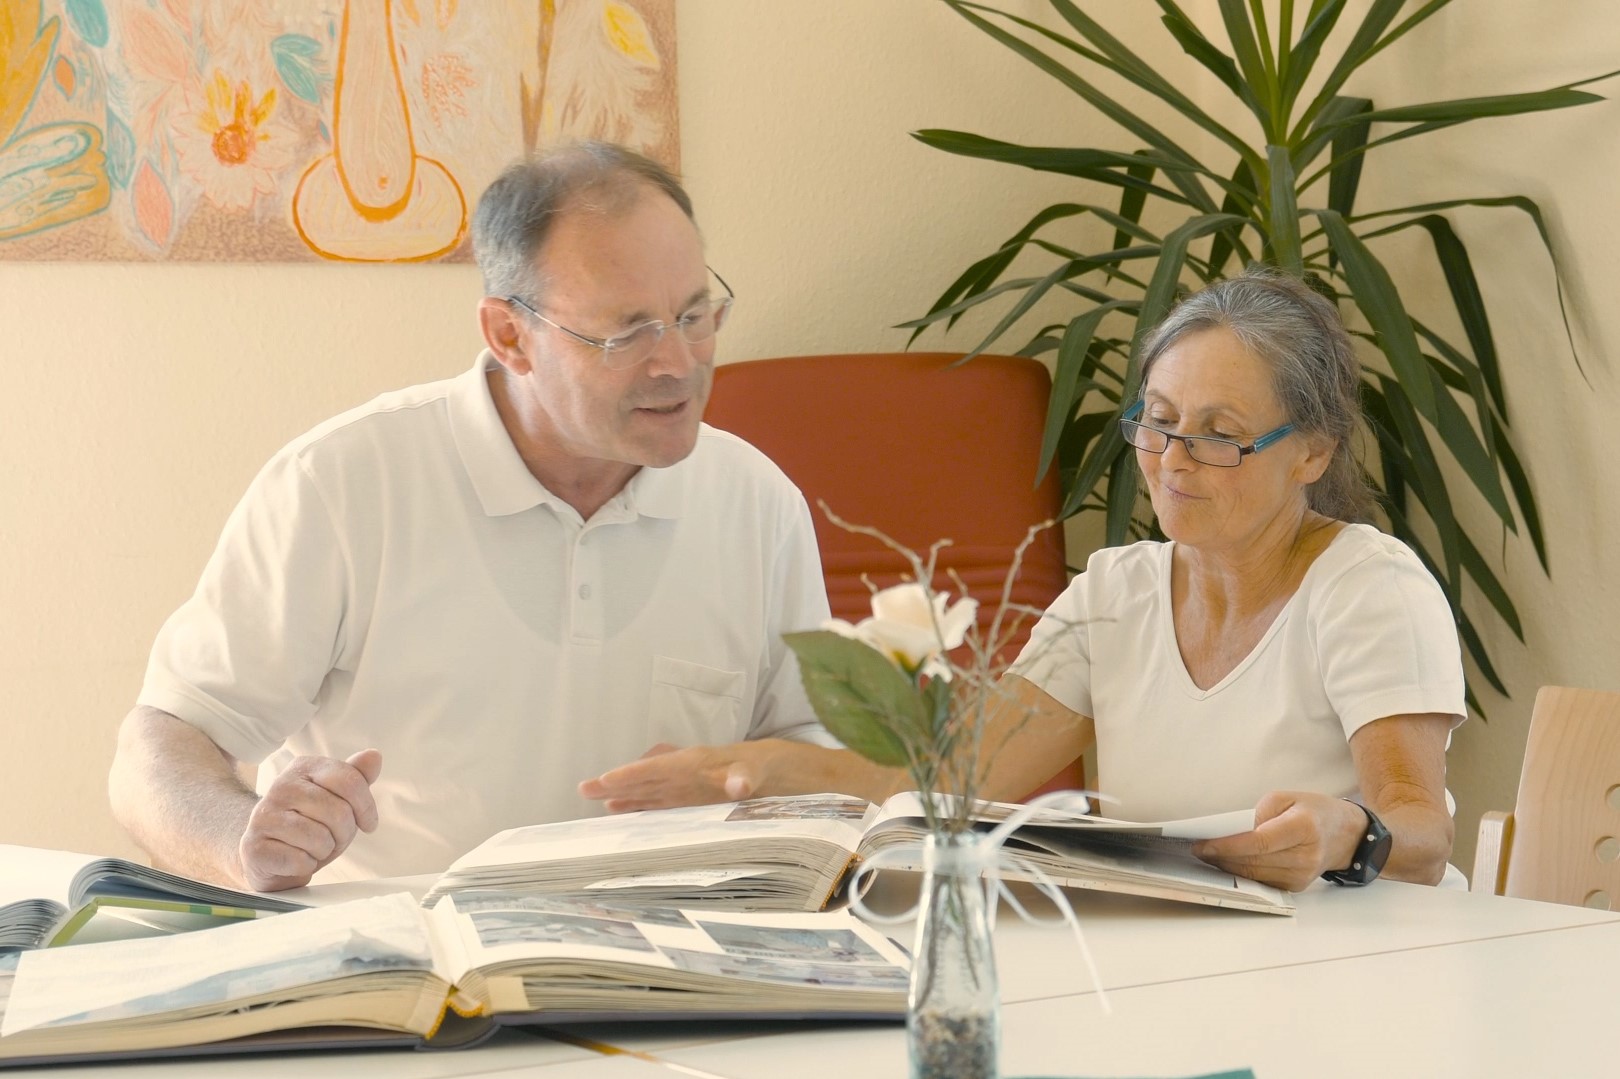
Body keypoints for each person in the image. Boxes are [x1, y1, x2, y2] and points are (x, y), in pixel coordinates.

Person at [108, 142, 871, 891]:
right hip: (401, 962)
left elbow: (813, 748)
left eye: (694, 314)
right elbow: (160, 746)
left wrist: (750, 789)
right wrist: (242, 844)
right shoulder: (343, 484)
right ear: (511, 336)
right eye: (628, 331)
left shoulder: (757, 500)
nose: (677, 362)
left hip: (676, 962)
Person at [991, 269, 1465, 890]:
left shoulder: (1369, 588)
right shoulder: (1112, 595)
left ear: (1312, 453)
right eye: (1158, 419)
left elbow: (1424, 837)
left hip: (1354, 963)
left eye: (1220, 435)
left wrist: (1344, 832)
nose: (1171, 460)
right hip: (1176, 960)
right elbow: (941, 781)